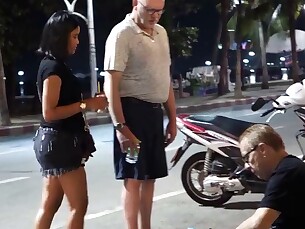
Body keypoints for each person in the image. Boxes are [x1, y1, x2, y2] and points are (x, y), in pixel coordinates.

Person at [103, 0, 177, 228]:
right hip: (132, 114)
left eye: (160, 11)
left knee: (150, 176)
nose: (155, 16)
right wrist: (120, 127)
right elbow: (110, 85)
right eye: (150, 10)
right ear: (136, 4)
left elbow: (165, 79)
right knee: (133, 177)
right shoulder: (122, 33)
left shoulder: (161, 33)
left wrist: (172, 119)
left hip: (155, 114)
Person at [33, 10, 108, 229]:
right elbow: (50, 112)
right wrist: (87, 105)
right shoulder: (53, 69)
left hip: (52, 142)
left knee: (49, 204)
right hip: (61, 143)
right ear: (60, 37)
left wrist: (88, 103)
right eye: (74, 36)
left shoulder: (52, 64)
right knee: (78, 206)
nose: (77, 41)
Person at [236, 124, 305, 229]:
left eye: (246, 157)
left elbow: (257, 224)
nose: (246, 165)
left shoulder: (287, 173)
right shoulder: (291, 167)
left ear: (263, 149)